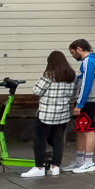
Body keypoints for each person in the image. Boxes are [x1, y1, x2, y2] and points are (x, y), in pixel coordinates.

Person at [25, 51, 77, 179]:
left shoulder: (49, 75)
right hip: (62, 114)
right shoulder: (71, 76)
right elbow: (74, 94)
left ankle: (39, 167)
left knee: (39, 140)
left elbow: (36, 91)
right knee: (58, 140)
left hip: (46, 115)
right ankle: (55, 167)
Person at [67, 39, 95, 174]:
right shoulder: (94, 60)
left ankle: (88, 162)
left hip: (87, 101)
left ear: (79, 49)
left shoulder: (88, 62)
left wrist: (79, 104)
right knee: (81, 129)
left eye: (73, 52)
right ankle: (79, 161)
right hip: (88, 100)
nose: (73, 56)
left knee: (88, 130)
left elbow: (86, 84)